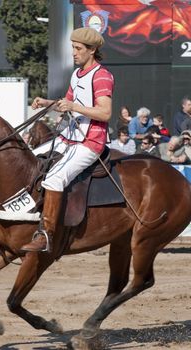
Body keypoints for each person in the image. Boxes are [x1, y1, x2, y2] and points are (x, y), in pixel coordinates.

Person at [20, 27, 113, 253]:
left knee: (54, 178)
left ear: (92, 50)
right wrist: (47, 103)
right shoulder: (77, 74)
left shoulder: (101, 76)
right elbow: (67, 103)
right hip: (68, 136)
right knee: (31, 159)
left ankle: (47, 235)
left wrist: (72, 106)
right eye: (73, 47)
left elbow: (105, 113)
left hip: (90, 142)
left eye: (78, 48)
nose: (74, 52)